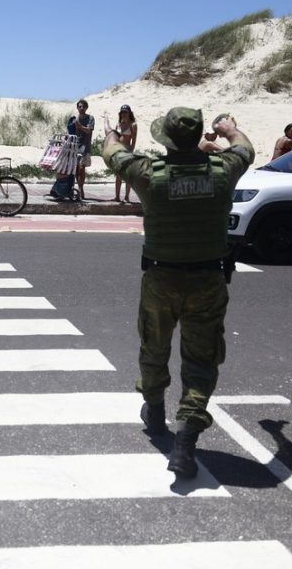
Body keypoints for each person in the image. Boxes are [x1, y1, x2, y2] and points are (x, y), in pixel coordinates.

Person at [103, 107, 255, 480]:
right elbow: (246, 149)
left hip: (161, 278)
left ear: (166, 141)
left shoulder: (147, 174)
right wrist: (229, 129)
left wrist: (111, 133)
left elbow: (112, 153)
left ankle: (155, 411)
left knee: (153, 346)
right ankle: (185, 440)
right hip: (207, 280)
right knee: (201, 361)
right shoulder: (223, 171)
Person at [104, 104, 138, 202]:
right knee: (118, 175)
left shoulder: (133, 124)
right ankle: (117, 196)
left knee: (127, 175)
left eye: (125, 112)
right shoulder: (118, 124)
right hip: (118, 150)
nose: (124, 114)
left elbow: (134, 140)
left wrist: (131, 151)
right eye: (122, 112)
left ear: (129, 113)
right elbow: (115, 138)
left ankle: (127, 197)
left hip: (127, 150)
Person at [69, 99, 95, 199]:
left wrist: (79, 126)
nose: (81, 108)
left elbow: (89, 131)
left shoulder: (90, 118)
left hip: (85, 146)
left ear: (86, 107)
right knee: (75, 169)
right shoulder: (75, 118)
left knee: (81, 168)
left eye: (83, 106)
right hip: (75, 146)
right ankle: (78, 188)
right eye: (79, 106)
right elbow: (71, 131)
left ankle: (81, 188)